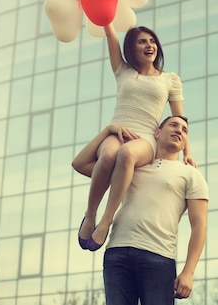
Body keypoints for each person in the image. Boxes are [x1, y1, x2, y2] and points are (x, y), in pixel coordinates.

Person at [72, 23, 195, 252]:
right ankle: (90, 216)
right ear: (132, 47)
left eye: (152, 41)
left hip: (146, 137)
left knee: (126, 154)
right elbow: (110, 34)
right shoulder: (123, 70)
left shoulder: (170, 79)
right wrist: (107, 18)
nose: (149, 45)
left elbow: (180, 119)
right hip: (119, 129)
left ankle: (106, 220)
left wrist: (187, 153)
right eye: (142, 41)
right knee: (108, 154)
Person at [73, 116, 208, 304]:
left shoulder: (191, 174)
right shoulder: (130, 166)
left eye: (185, 130)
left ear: (185, 143)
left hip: (159, 257)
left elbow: (199, 226)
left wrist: (188, 272)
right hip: (117, 253)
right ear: (157, 133)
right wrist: (107, 131)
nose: (179, 130)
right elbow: (80, 164)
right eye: (174, 125)